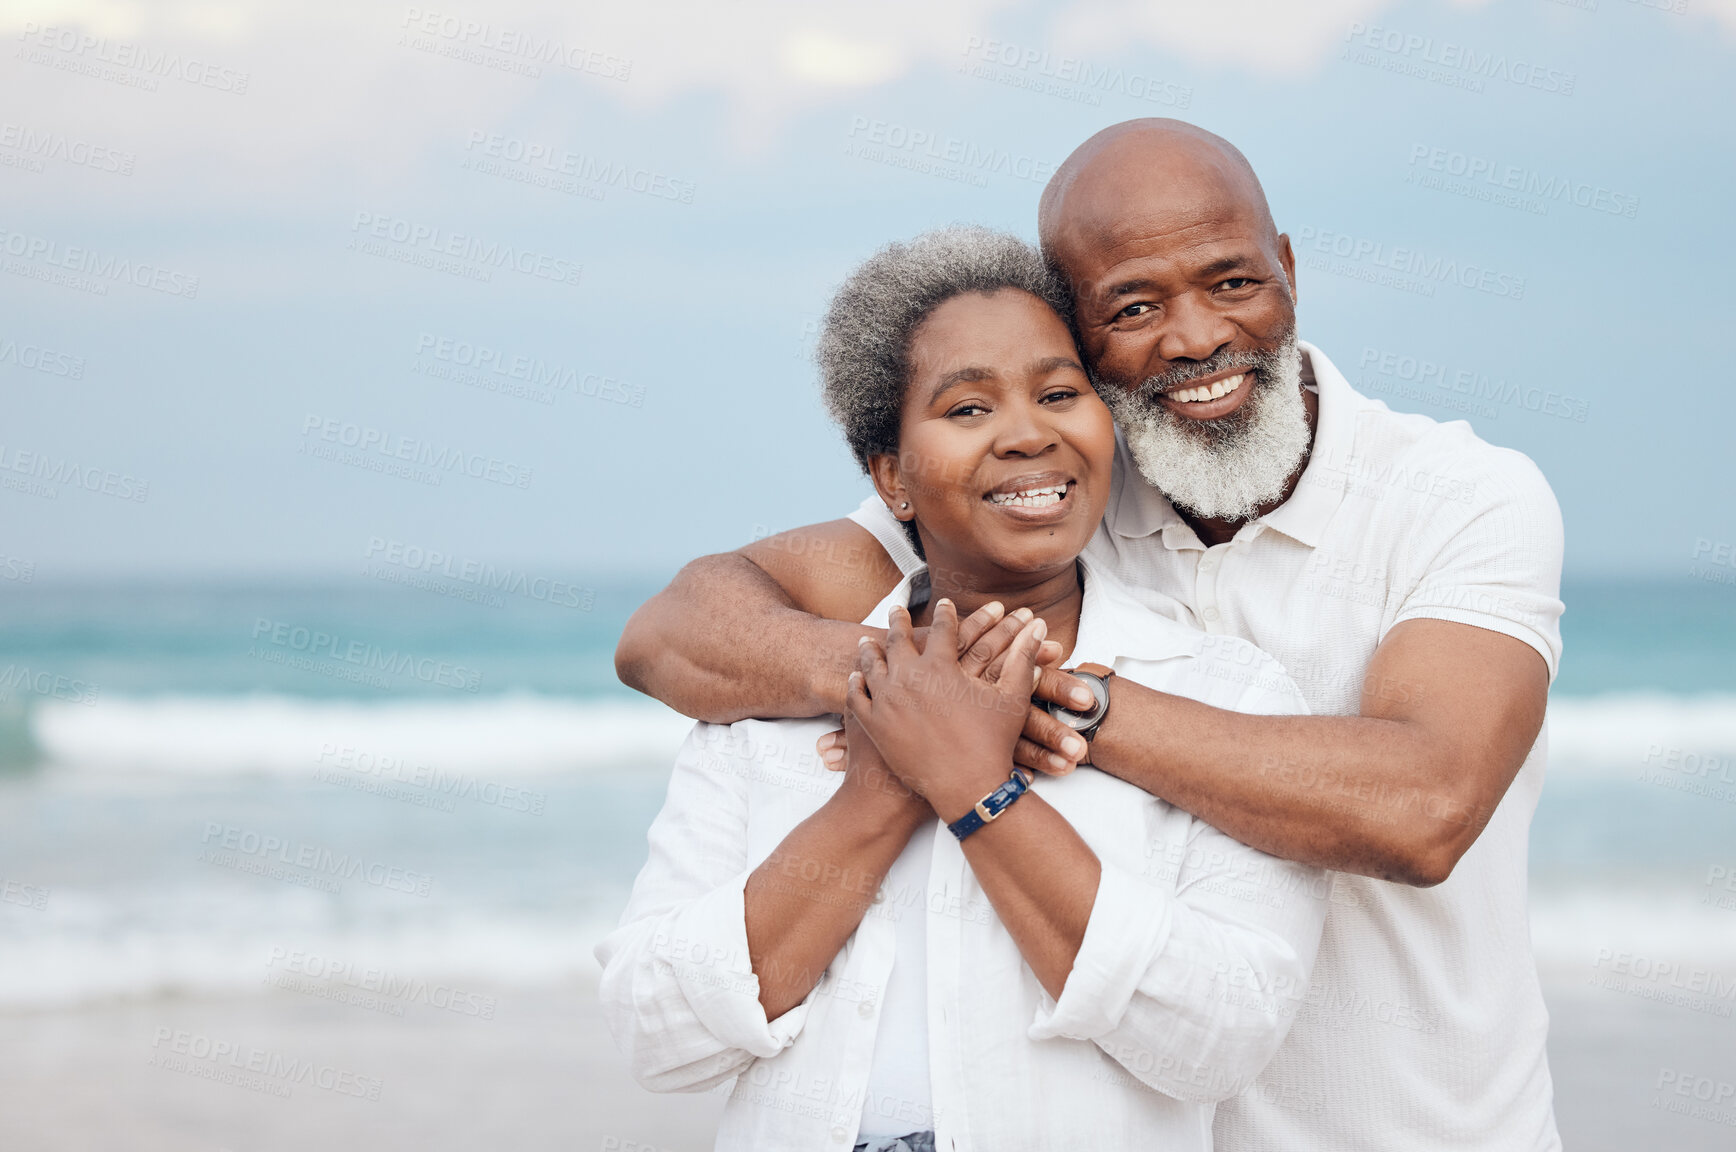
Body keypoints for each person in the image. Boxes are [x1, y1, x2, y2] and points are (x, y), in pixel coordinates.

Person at [615, 121, 1566, 1151]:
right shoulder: (1054, 491)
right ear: (1076, 328)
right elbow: (675, 632)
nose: (1196, 337)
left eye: (1232, 282)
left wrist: (1043, 703)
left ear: (1286, 267)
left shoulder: (1453, 496)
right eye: (1133, 306)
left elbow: (1422, 808)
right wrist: (904, 691)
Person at [597, 228, 1328, 1152]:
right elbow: (657, 1032)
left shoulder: (1226, 694)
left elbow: (1221, 1041)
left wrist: (981, 795)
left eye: (1061, 395)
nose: (1029, 433)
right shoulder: (770, 706)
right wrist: (874, 793)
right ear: (892, 479)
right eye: (969, 407)